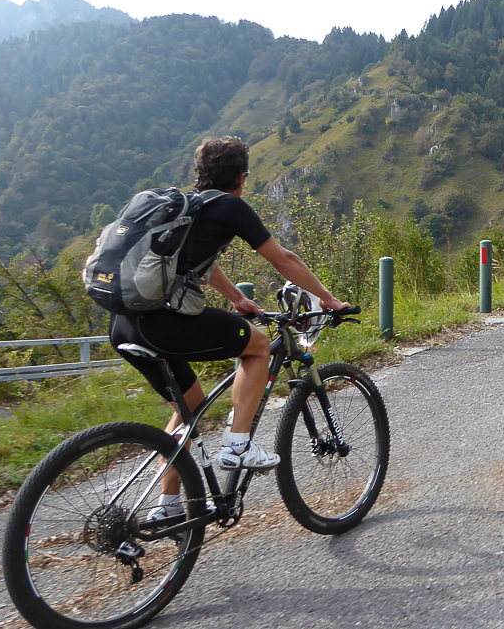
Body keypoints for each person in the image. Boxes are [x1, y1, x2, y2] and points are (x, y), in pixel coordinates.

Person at [110, 135, 348, 521]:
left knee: (189, 406)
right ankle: (238, 446)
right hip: (161, 326)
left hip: (124, 326)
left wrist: (237, 298)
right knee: (257, 346)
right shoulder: (230, 206)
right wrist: (329, 299)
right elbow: (284, 260)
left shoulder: (186, 207)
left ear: (200, 172)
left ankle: (168, 507)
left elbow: (200, 262)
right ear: (240, 178)